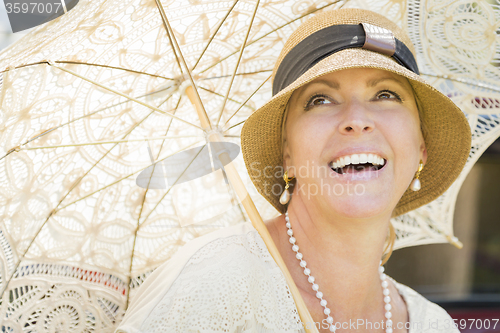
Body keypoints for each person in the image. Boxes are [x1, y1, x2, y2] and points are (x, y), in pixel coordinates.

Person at [116, 8, 471, 333]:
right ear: (287, 155)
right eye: (320, 99)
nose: (357, 120)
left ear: (421, 147)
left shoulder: (433, 324)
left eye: (386, 94)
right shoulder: (208, 283)